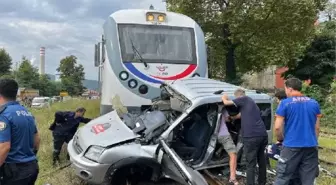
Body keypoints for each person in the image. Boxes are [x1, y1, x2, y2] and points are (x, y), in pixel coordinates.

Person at [273, 78, 321, 185]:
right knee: (307, 179)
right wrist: (313, 141)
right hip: (311, 146)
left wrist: (280, 139)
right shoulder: (314, 103)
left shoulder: (285, 103)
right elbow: (317, 127)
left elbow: (277, 127)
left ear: (289, 89)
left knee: (283, 176)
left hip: (291, 146)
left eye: (285, 89)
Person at [222, 89, 268, 185]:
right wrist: (231, 118)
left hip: (251, 136)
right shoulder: (252, 103)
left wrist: (224, 97)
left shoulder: (243, 98)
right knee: (261, 161)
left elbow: (226, 103)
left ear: (238, 96)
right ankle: (262, 182)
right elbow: (239, 116)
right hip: (262, 135)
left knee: (250, 164)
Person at [0, 78, 40, 185]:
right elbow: (37, 140)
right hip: (32, 167)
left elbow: (4, 147)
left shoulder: (3, 115)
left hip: (14, 172)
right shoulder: (26, 112)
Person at [217, 108, 239, 185]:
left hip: (213, 135)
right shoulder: (222, 109)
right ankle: (232, 178)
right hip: (223, 134)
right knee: (233, 154)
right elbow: (227, 119)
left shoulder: (207, 107)